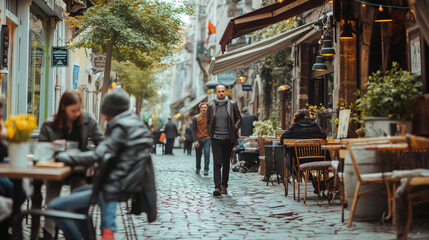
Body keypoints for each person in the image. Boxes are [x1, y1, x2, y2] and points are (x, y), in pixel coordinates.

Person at [48, 88, 155, 240]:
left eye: (105, 113)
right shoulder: (135, 125)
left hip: (112, 188)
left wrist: (62, 157)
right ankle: (88, 236)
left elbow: (97, 155)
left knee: (54, 207)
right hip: (124, 186)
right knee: (78, 194)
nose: (104, 118)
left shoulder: (120, 128)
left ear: (111, 112)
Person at [38, 90, 105, 239]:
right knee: (52, 198)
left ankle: (80, 233)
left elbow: (102, 142)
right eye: (73, 110)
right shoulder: (49, 125)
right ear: (63, 107)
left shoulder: (87, 119)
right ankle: (48, 233)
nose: (76, 113)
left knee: (79, 196)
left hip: (78, 169)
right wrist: (52, 146)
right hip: (56, 170)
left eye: (79, 109)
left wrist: (93, 159)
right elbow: (40, 150)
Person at [207, 85, 242, 196]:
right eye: (219, 92)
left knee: (226, 163)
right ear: (216, 93)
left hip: (228, 138)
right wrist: (210, 134)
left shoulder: (232, 105)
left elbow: (239, 118)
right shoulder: (211, 106)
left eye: (223, 91)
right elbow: (208, 122)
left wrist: (234, 129)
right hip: (216, 138)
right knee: (217, 163)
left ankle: (224, 186)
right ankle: (217, 187)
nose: (221, 93)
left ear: (225, 92)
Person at [280, 109, 327, 177]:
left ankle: (301, 175)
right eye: (310, 115)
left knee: (289, 152)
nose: (311, 116)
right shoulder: (315, 126)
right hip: (318, 158)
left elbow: (282, 139)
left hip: (299, 160)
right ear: (306, 116)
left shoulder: (294, 127)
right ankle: (314, 178)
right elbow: (324, 136)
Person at [191, 102, 210, 175]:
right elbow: (193, 129)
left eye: (205, 107)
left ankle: (206, 169)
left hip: (207, 138)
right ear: (200, 108)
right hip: (198, 139)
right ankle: (198, 168)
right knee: (198, 155)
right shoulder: (196, 118)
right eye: (202, 107)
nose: (204, 109)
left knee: (207, 153)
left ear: (207, 108)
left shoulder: (210, 117)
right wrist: (195, 140)